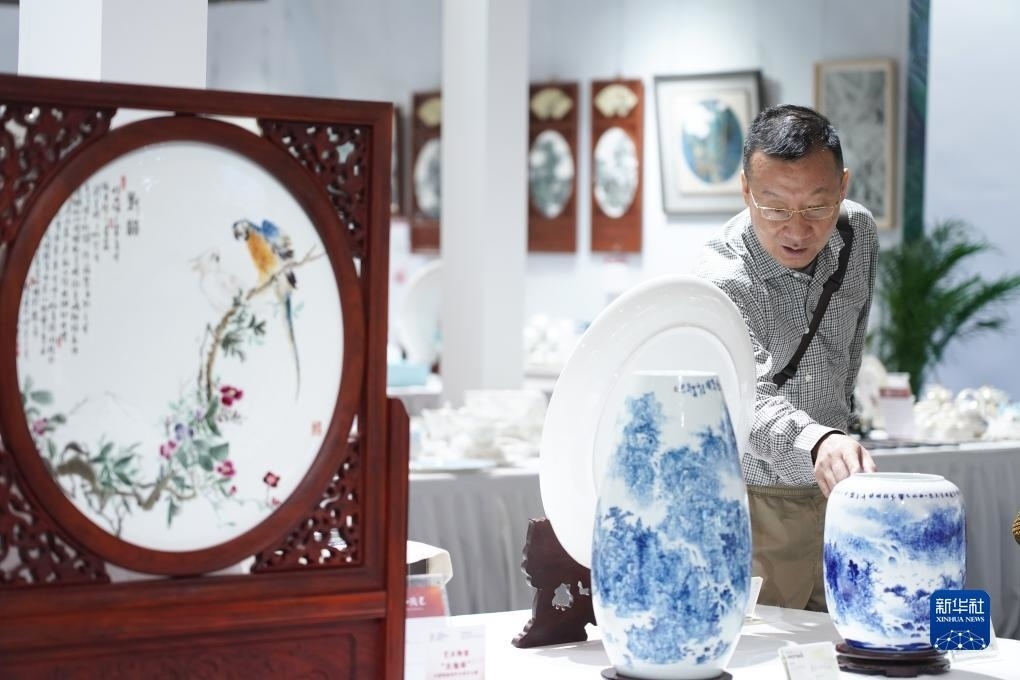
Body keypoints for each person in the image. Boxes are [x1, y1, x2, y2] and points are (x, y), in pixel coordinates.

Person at [696, 104, 879, 611]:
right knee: (768, 647)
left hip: (840, 492)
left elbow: (850, 348)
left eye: (817, 207)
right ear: (745, 191)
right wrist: (819, 441)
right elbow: (745, 399)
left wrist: (839, 432)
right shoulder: (723, 276)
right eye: (775, 209)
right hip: (756, 501)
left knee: (849, 639)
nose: (797, 231)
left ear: (842, 186)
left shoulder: (856, 233)